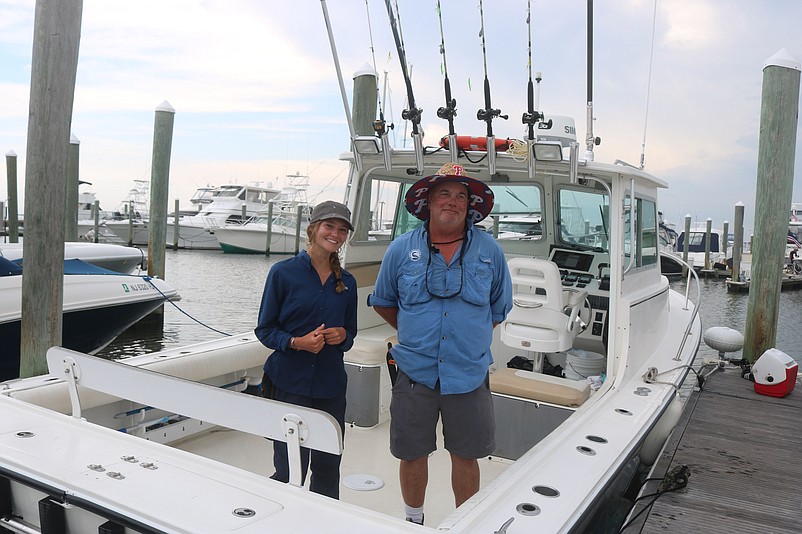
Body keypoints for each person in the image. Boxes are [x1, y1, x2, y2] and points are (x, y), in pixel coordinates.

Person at [368, 162, 512, 524]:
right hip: (415, 371)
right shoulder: (401, 249)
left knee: (467, 454)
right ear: (428, 202)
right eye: (444, 193)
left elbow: (499, 307)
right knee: (412, 453)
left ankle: (464, 523)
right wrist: (417, 333)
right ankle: (413, 520)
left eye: (461, 196)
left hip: (468, 372)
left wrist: (468, 337)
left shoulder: (490, 251)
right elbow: (384, 300)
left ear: (469, 206)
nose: (453, 201)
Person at [254, 200, 357, 499]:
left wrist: (342, 335)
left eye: (342, 230)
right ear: (313, 229)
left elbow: (351, 334)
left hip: (330, 386)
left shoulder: (347, 282)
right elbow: (265, 330)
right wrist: (296, 343)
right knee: (288, 468)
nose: (335, 234)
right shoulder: (282, 273)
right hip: (289, 383)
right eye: (329, 226)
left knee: (327, 469)